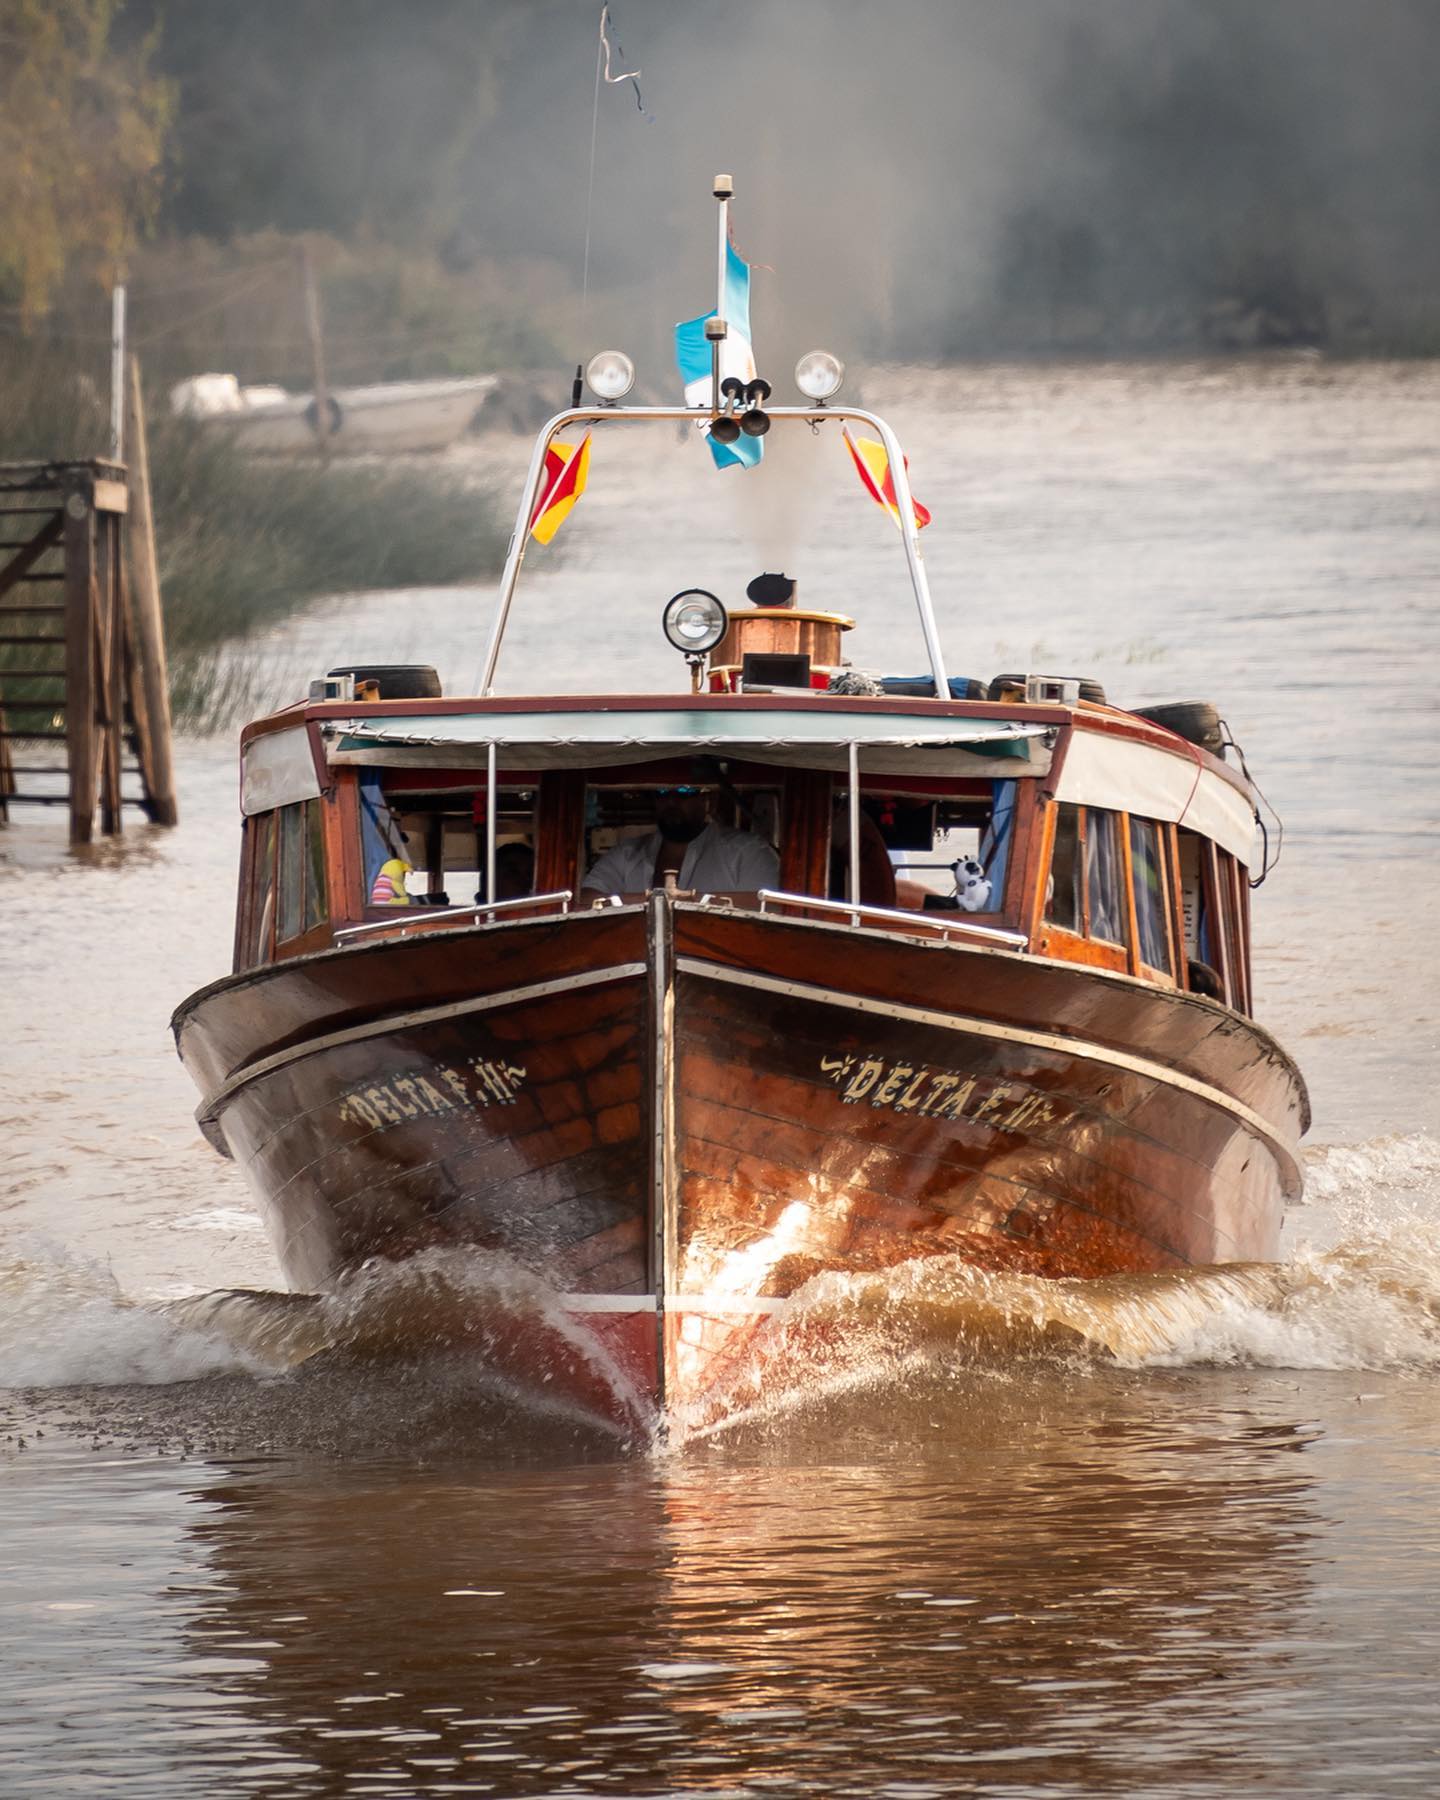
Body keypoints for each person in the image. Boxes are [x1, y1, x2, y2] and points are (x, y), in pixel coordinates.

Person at [581, 786, 778, 896]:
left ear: (710, 799)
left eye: (684, 791)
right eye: (662, 792)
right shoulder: (627, 854)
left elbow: (765, 909)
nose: (671, 801)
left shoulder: (748, 851)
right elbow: (588, 899)